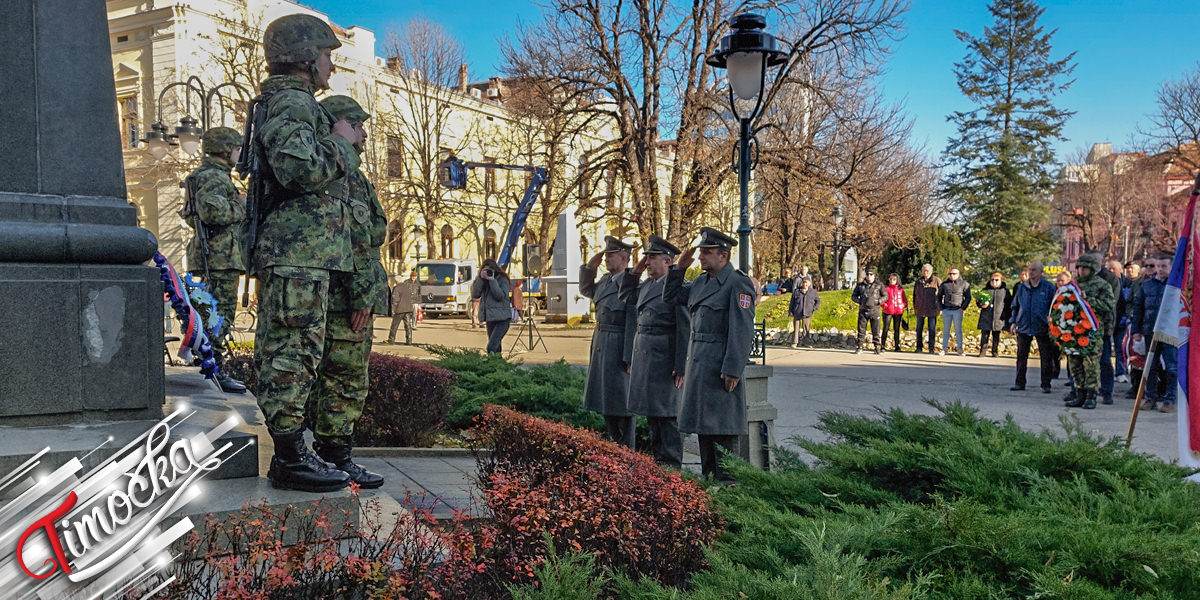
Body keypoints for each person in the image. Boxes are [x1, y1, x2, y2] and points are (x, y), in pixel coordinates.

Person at [252, 14, 365, 493]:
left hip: (306, 256)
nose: (331, 68)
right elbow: (299, 168)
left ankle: (296, 454)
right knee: (291, 354)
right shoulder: (292, 103)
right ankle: (290, 458)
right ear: (303, 55)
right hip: (295, 255)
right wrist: (341, 142)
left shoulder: (294, 104)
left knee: (301, 352)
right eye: (326, 56)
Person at [306, 94, 387, 489]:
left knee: (334, 377)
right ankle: (336, 457)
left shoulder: (342, 171)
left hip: (341, 295)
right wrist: (362, 294)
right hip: (347, 300)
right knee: (346, 379)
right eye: (358, 125)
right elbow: (355, 238)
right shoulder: (344, 174)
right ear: (342, 125)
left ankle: (328, 455)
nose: (365, 134)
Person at [663, 227, 756, 484]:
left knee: (723, 439)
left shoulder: (737, 283)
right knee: (705, 434)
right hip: (699, 370)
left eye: (707, 252)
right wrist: (679, 269)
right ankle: (710, 487)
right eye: (701, 251)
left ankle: (729, 494)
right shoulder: (701, 282)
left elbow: (742, 330)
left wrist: (733, 369)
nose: (701, 256)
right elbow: (670, 297)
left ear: (723, 256)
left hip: (720, 370)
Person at [181, 126, 248, 394]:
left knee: (211, 313)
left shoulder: (202, 176)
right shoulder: (215, 178)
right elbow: (211, 212)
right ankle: (215, 368)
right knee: (220, 314)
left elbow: (190, 215)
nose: (239, 154)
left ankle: (211, 365)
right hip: (220, 256)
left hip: (213, 254)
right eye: (237, 148)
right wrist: (241, 204)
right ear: (225, 149)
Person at [619, 235, 690, 468]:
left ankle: (671, 467)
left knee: (667, 415)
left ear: (667, 261)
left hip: (664, 358)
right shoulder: (648, 285)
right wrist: (634, 273)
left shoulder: (675, 287)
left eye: (652, 258)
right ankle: (658, 465)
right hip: (646, 357)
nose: (647, 262)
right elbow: (626, 297)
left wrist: (681, 366)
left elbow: (683, 328)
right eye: (646, 258)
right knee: (652, 415)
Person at [580, 236, 639, 447]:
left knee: (623, 404)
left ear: (623, 258)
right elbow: (587, 290)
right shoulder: (606, 280)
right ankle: (615, 446)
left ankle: (627, 450)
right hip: (602, 344)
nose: (606, 259)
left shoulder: (631, 283)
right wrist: (589, 268)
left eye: (610, 256)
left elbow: (633, 322)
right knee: (605, 402)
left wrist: (630, 356)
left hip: (619, 345)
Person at [1063, 254, 1116, 409]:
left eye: (1085, 268)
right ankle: (1080, 394)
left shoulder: (1102, 285)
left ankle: (1091, 396)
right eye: (1079, 268)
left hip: (1092, 330)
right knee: (1075, 362)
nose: (1081, 271)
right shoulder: (1074, 285)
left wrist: (1087, 300)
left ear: (1092, 269)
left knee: (1090, 364)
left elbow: (1109, 305)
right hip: (1074, 329)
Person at [1133, 257, 1175, 412]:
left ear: (1171, 266)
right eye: (1158, 266)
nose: (1160, 269)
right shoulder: (1147, 285)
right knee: (1150, 366)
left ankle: (1169, 399)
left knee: (1171, 367)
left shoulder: (1176, 286)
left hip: (1170, 332)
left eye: (1164, 266)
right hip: (1151, 330)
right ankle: (1150, 397)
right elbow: (1139, 309)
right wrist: (1136, 331)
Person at [1007, 261, 1056, 393]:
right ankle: (1019, 383)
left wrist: (1051, 324)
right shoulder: (1022, 287)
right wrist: (1013, 322)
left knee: (1046, 357)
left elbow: (1055, 307)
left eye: (1034, 270)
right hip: (1023, 326)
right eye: (1030, 270)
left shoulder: (1048, 287)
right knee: (1021, 357)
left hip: (1042, 326)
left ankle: (1046, 384)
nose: (1031, 272)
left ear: (1041, 272)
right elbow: (1015, 306)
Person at [472, 258, 513, 354]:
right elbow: (475, 294)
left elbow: (500, 296)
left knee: (491, 347)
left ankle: (495, 365)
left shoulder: (502, 279)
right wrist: (480, 279)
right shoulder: (482, 281)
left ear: (495, 270)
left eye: (490, 270)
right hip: (490, 319)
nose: (488, 273)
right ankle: (497, 367)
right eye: (485, 270)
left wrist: (492, 280)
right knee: (496, 348)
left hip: (502, 319)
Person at [1114, 261, 1140, 385]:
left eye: (1132, 268)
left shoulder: (1139, 284)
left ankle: (1125, 372)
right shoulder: (1120, 282)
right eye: (1128, 268)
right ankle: (1120, 372)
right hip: (1118, 320)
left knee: (1127, 349)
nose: (1130, 270)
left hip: (1129, 322)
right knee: (1120, 348)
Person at [851, 270, 886, 354]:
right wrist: (860, 301)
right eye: (867, 274)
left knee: (876, 330)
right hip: (863, 310)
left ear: (874, 276)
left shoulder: (879, 285)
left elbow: (885, 295)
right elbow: (853, 296)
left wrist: (879, 301)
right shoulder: (860, 285)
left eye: (871, 274)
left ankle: (877, 347)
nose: (869, 276)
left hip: (875, 310)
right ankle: (859, 346)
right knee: (861, 330)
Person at [937, 268, 970, 355]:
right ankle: (944, 348)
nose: (952, 275)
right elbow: (939, 296)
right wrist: (941, 308)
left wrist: (963, 308)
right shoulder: (944, 284)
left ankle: (959, 348)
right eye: (950, 273)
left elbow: (968, 297)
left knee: (958, 330)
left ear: (958, 274)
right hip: (947, 309)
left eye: (954, 273)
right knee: (946, 330)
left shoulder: (964, 284)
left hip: (957, 310)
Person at [976, 272, 1008, 357]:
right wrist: (981, 304)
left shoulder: (1004, 291)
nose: (994, 281)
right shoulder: (985, 290)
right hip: (986, 316)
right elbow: (978, 302)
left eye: (996, 280)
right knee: (985, 335)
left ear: (1001, 281)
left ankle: (995, 351)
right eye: (992, 280)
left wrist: (1006, 316)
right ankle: (982, 351)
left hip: (999, 316)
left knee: (996, 335)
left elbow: (1008, 304)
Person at [912, 264, 941, 354]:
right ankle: (919, 347)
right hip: (920, 309)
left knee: (932, 329)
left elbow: (942, 294)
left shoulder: (937, 281)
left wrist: (941, 306)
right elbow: (914, 295)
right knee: (919, 328)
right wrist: (915, 306)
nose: (926, 272)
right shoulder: (918, 281)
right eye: (924, 270)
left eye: (927, 270)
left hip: (933, 309)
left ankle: (931, 348)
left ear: (931, 271)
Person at [387, 271, 420, 345]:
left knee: (394, 326)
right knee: (408, 326)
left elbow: (395, 300)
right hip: (408, 309)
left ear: (396, 281)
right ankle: (409, 341)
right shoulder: (407, 288)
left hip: (399, 310)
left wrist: (392, 310)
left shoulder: (397, 288)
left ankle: (391, 340)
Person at [789, 276, 819, 348]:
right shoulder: (796, 291)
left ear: (809, 283)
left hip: (807, 312)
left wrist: (814, 308)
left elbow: (818, 301)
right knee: (796, 329)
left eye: (806, 283)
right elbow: (792, 302)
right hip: (797, 312)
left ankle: (807, 343)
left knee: (806, 329)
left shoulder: (813, 292)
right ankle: (794, 343)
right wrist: (790, 312)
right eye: (803, 282)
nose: (805, 284)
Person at [881, 273, 908, 352]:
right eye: (890, 279)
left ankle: (897, 346)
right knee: (885, 328)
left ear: (897, 280)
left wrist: (903, 305)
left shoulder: (901, 290)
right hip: (887, 311)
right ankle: (882, 346)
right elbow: (881, 298)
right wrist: (885, 305)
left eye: (894, 279)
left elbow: (905, 300)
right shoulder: (886, 289)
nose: (892, 280)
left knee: (897, 329)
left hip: (898, 311)